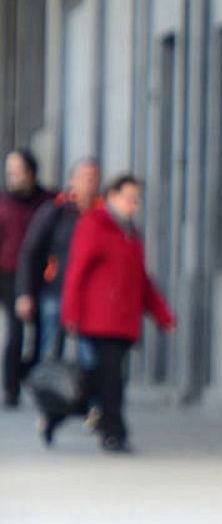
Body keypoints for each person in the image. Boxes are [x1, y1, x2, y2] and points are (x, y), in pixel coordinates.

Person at [50, 175, 175, 452]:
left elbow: (142, 280)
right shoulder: (94, 225)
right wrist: (70, 313)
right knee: (111, 380)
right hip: (98, 319)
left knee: (97, 380)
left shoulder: (130, 233)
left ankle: (56, 413)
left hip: (124, 320)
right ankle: (114, 432)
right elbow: (76, 271)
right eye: (130, 197)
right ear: (113, 196)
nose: (134, 204)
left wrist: (163, 314)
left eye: (137, 199)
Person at [16, 158, 100, 366]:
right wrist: (25, 292)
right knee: (50, 351)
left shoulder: (102, 214)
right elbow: (30, 252)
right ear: (72, 180)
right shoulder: (56, 210)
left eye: (94, 179)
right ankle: (48, 395)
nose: (91, 184)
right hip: (55, 290)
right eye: (86, 178)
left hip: (89, 296)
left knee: (89, 355)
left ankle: (87, 396)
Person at [1, 149, 53, 408]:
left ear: (31, 173)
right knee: (16, 329)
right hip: (8, 274)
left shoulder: (48, 201)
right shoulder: (2, 202)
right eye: (9, 171)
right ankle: (11, 389)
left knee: (45, 329)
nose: (12, 177)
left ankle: (26, 372)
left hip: (43, 274)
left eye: (17, 171)